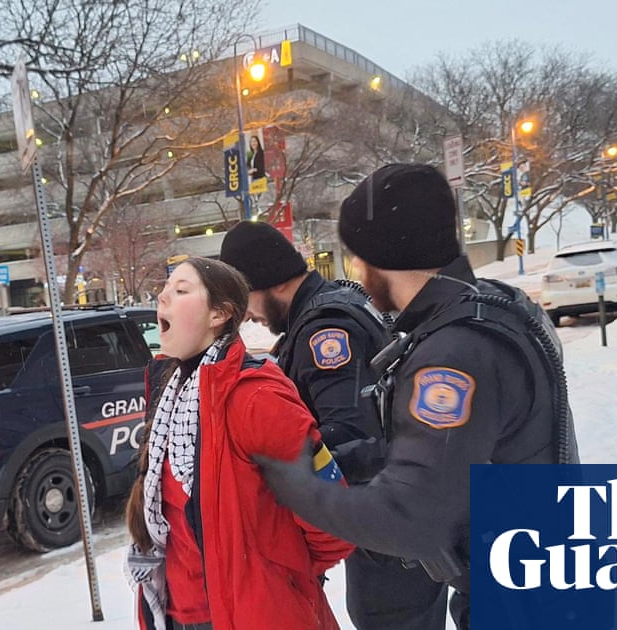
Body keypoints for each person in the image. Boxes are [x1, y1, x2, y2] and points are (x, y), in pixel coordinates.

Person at [255, 163, 583, 629]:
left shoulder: (454, 352)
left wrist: (292, 484)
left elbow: (407, 518)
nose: (356, 272)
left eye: (356, 257)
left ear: (378, 255)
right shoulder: (490, 304)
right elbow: (460, 452)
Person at [220, 221, 448, 630]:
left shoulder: (324, 331)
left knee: (387, 619)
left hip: (389, 530)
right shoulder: (332, 304)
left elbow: (354, 443)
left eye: (246, 299)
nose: (249, 315)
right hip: (398, 521)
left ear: (266, 280)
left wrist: (273, 478)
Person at [124, 257, 352, 630]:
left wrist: (277, 576)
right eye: (165, 289)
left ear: (220, 314)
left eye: (181, 290)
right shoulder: (169, 396)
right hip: (178, 614)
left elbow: (332, 522)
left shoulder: (257, 397)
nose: (163, 297)